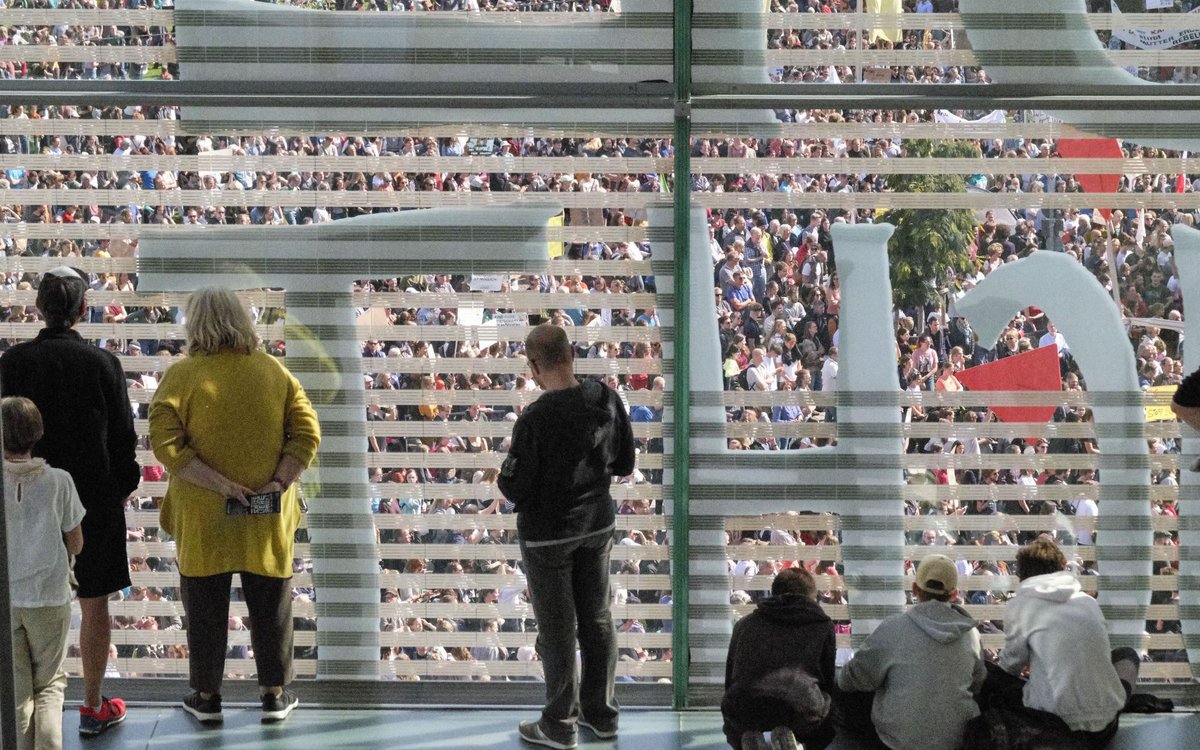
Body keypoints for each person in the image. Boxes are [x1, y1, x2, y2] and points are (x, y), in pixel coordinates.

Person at [148, 287, 320, 725]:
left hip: (203, 517)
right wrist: (277, 483)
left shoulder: (181, 377)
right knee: (271, 601)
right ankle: (274, 695)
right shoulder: (274, 372)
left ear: (196, 324)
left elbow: (166, 444)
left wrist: (221, 485)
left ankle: (207, 698)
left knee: (204, 604)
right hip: (265, 514)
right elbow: (306, 434)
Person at [0, 266, 140, 736]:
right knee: (95, 603)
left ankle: (22, 720)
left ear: (38, 307)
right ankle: (93, 705)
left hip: (22, 501)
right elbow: (123, 439)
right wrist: (118, 489)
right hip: (93, 500)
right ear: (83, 310)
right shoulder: (103, 364)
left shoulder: (12, 364)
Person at [498, 323, 635, 750]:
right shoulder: (606, 399)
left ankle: (559, 725)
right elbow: (625, 463)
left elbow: (514, 487)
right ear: (573, 354)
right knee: (598, 618)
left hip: (548, 537)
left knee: (558, 630)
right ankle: (602, 715)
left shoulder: (535, 419)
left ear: (534, 366)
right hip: (597, 525)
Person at [979, 537, 1135, 748]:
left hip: (1057, 724)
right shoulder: (1088, 602)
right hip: (1107, 726)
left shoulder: (1021, 605)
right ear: (1062, 568)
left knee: (990, 674)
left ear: (1023, 574)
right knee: (1127, 654)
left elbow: (1011, 666)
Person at [4, 396, 86, 750]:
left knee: (17, 691)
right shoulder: (59, 481)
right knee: (50, 684)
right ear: (36, 432)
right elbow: (76, 543)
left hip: (7, 600)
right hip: (50, 596)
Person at [836, 554, 985, 750]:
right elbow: (978, 683)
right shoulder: (971, 635)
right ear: (954, 594)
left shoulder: (894, 628)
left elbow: (850, 679)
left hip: (896, 743)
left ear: (915, 589)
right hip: (956, 742)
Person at [722, 567, 836, 750]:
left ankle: (749, 739)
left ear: (774, 593)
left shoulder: (745, 624)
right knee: (828, 711)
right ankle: (800, 745)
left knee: (737, 716)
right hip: (800, 710)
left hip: (744, 709)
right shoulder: (822, 625)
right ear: (811, 597)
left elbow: (730, 677)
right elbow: (827, 679)